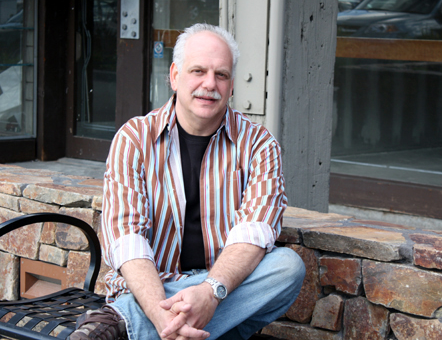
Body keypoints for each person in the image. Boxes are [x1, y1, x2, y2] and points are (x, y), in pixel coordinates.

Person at [71, 23, 305, 340]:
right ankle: (174, 329)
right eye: (198, 71)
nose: (210, 84)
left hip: (222, 288)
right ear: (174, 75)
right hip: (154, 289)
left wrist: (210, 292)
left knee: (287, 268)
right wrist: (160, 313)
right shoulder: (135, 139)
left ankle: (123, 325)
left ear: (232, 85)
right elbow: (127, 240)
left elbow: (256, 231)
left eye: (221, 75)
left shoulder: (259, 145)